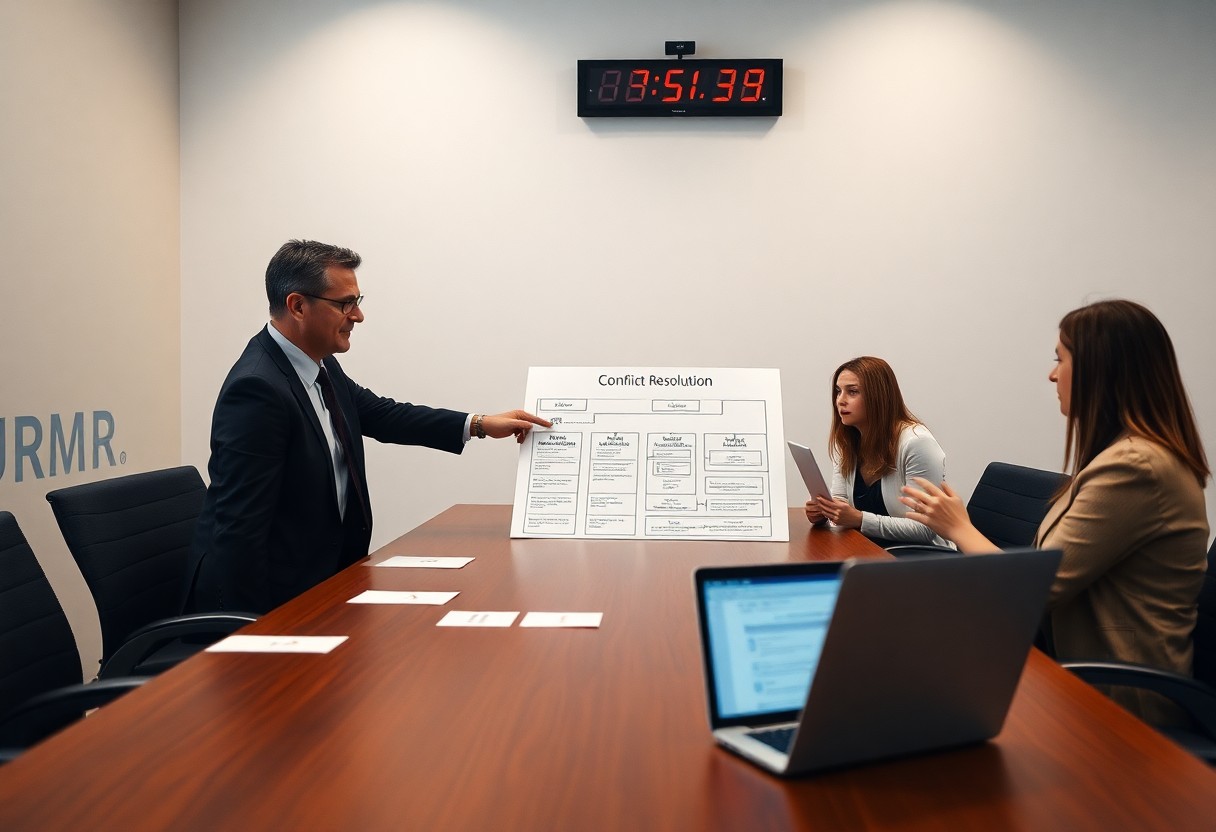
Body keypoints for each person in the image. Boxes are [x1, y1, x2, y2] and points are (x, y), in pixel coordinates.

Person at [186, 240, 550, 614]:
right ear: (298, 306)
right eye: (345, 304)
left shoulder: (319, 365)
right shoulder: (257, 389)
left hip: (324, 585)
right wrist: (252, 634)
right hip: (270, 604)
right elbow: (239, 531)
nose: (358, 316)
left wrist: (480, 424)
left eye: (358, 301)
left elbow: (382, 415)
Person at [902, 299, 1210, 725]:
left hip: (1122, 702)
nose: (1052, 374)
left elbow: (1038, 588)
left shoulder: (1137, 467)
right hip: (1076, 671)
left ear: (1100, 369)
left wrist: (959, 528)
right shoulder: (1123, 457)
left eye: (1060, 359)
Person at [805, 356, 950, 547]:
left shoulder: (917, 443)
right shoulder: (848, 441)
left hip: (922, 554)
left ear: (878, 396)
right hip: (870, 548)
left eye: (852, 392)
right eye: (838, 391)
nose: (840, 400)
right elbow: (841, 500)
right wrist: (824, 511)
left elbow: (926, 529)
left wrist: (860, 519)